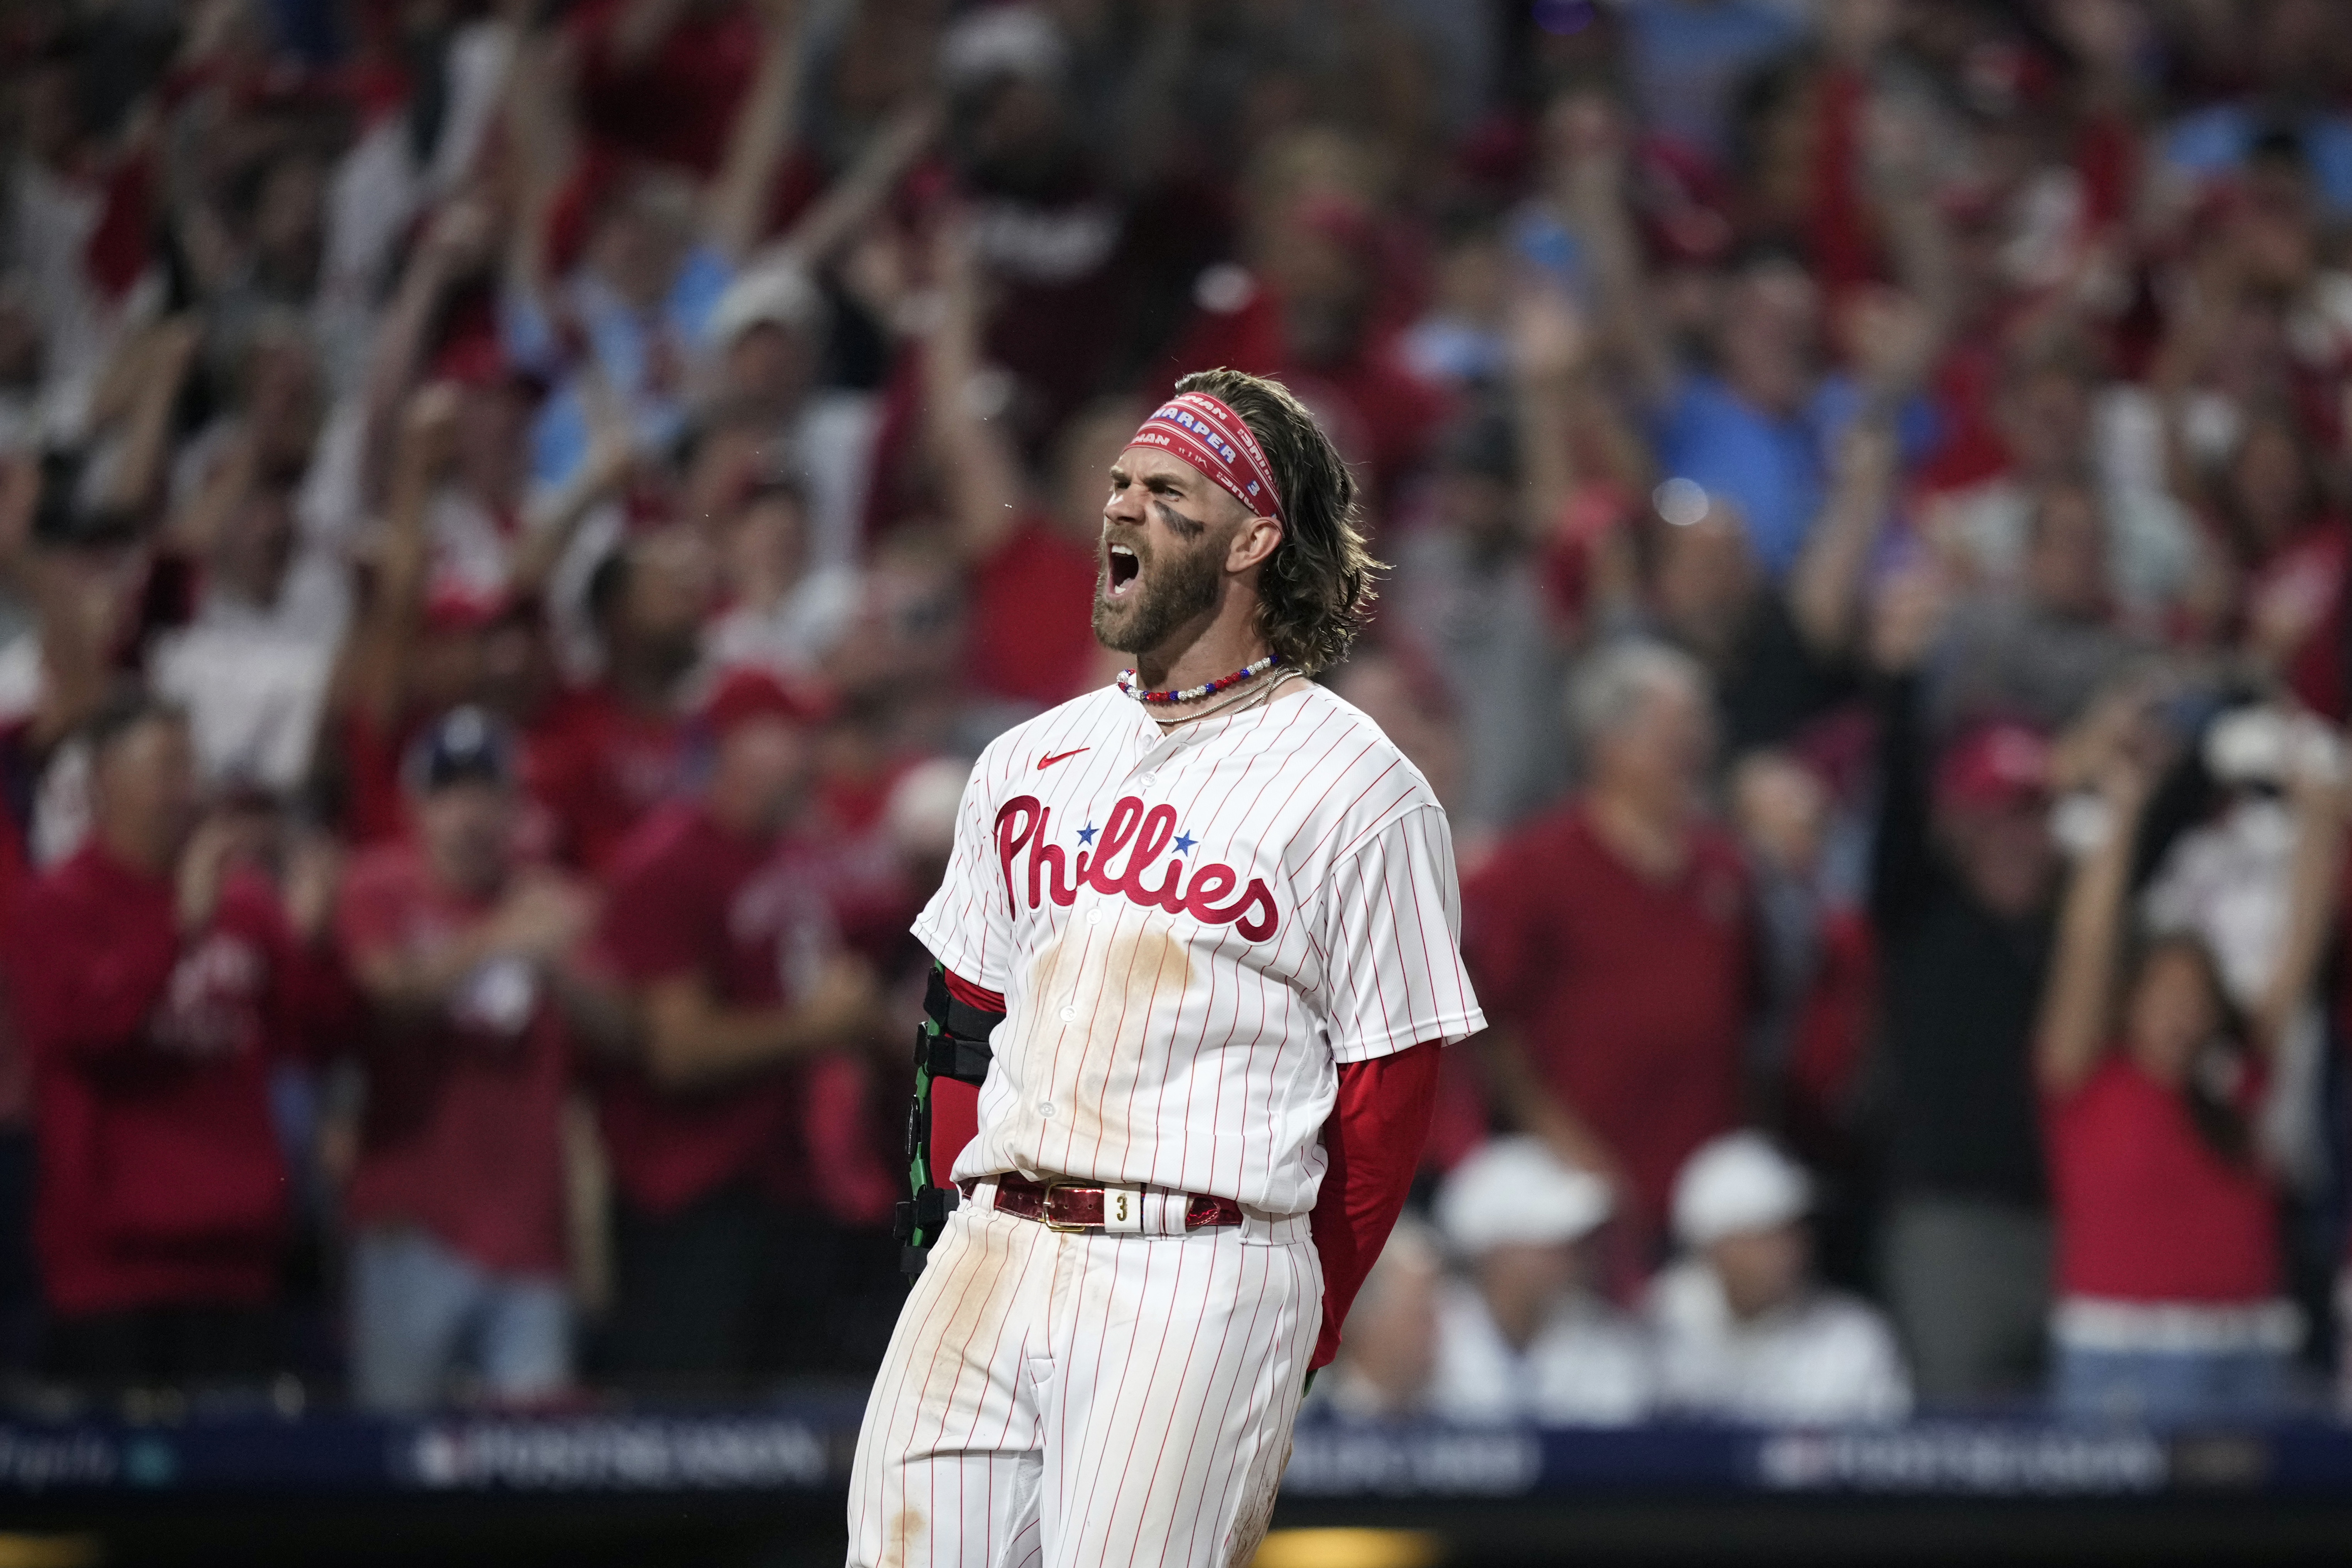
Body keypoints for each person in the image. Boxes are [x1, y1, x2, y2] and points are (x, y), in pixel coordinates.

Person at [847, 369, 1483, 1566]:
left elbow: (1387, 1099)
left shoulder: (1359, 786)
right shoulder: (1030, 758)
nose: (1121, 510)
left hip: (1193, 1267)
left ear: (1252, 537)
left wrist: (1307, 1313)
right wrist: (942, 1239)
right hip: (990, 1245)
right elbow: (960, 1021)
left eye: (1166, 491)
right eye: (1118, 485)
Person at [7, 694, 337, 1389]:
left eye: (191, 766)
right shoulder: (58, 906)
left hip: (236, 1264)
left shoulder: (244, 905)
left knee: (247, 1489)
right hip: (112, 1274)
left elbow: (314, 1033)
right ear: (101, 783)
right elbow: (86, 1032)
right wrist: (179, 927)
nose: (187, 788)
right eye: (165, 766)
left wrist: (314, 941)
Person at [580, 666, 884, 1393]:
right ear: (735, 745)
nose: (813, 751)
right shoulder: (670, 862)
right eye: (791, 733)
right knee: (690, 1442)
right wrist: (817, 1027)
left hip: (785, 1189)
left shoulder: (792, 855)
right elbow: (675, 1051)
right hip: (688, 1201)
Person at [2033, 706, 2342, 1421]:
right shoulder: (2087, 1079)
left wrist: (2318, 821)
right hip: (2121, 1352)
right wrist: (2120, 817)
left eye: (2195, 997)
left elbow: (2296, 954)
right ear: (2128, 1005)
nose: (2179, 1013)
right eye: (2161, 995)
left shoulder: (2235, 1082)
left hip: (2247, 1348)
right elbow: (2084, 948)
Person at [334, 707, 593, 1410]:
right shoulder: (379, 887)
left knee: (538, 1471)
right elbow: (388, 995)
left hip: (529, 1237)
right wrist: (500, 937)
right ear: (416, 806)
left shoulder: (548, 899)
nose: (470, 815)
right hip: (411, 1227)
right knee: (392, 1456)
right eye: (450, 794)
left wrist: (570, 965)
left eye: (489, 794)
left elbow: (626, 1035)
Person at [1465, 640, 1753, 1248]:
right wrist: (1555, 1135)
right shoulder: (1535, 867)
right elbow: (1488, 1020)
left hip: (1708, 1196)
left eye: (1697, 732)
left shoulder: (1723, 867)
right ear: (1608, 746)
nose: (1693, 752)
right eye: (1672, 737)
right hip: (1579, 1193)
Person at [1648, 1131, 1912, 1424]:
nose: (1790, 1252)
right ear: (1714, 1248)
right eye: (1765, 1236)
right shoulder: (1653, 1326)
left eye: (1795, 1231)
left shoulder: (1852, 1339)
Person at [1429, 1136, 1654, 1426]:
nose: (1571, 1255)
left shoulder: (1603, 1342)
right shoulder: (1428, 1334)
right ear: (1498, 1253)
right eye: (1551, 1239)